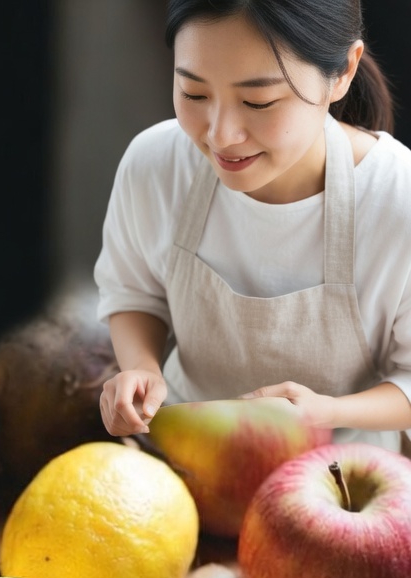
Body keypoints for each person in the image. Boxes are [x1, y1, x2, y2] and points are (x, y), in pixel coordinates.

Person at [95, 0, 411, 451]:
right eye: (194, 93)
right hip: (181, 471)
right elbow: (133, 292)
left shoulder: (398, 196)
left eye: (258, 101)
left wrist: (327, 411)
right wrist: (142, 368)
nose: (221, 135)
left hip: (342, 485)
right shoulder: (155, 165)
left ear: (342, 72)